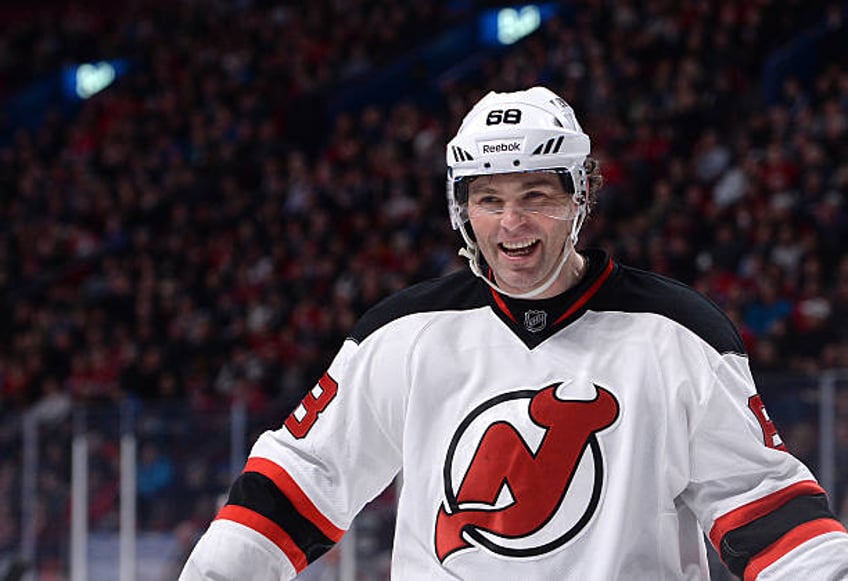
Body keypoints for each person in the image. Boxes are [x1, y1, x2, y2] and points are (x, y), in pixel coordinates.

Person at [180, 87, 848, 580]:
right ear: (461, 207)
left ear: (580, 195)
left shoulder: (679, 336)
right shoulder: (402, 333)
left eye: (536, 195)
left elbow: (769, 509)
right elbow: (301, 477)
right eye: (489, 198)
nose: (511, 223)